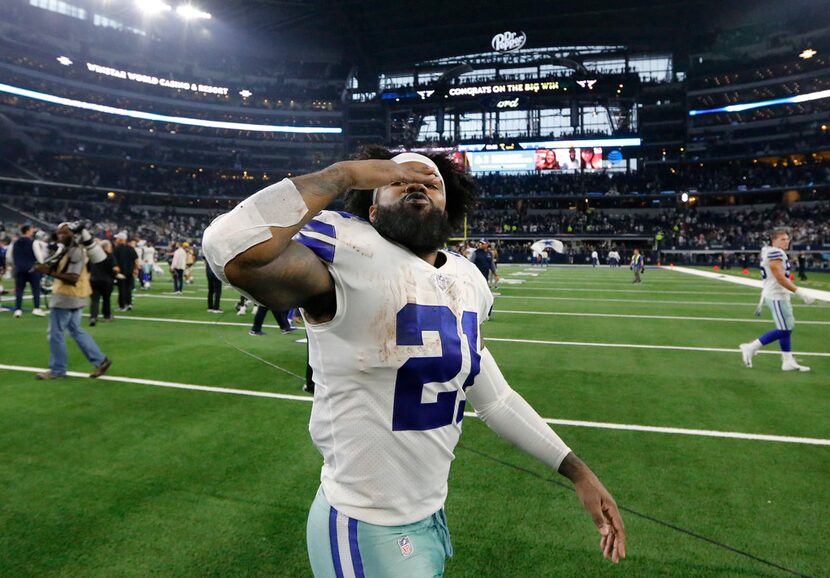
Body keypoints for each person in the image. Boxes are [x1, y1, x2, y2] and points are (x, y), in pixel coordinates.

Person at [203, 147, 625, 577]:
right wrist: (344, 174)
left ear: (447, 207)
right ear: (372, 205)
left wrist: (578, 472)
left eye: (431, 182)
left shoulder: (467, 278)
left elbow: (495, 398)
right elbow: (225, 246)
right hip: (364, 524)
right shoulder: (348, 252)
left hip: (429, 516)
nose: (417, 185)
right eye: (399, 179)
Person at [33, 224, 111, 380]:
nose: (60, 235)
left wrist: (47, 271)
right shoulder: (72, 250)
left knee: (55, 334)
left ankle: (57, 369)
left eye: (65, 232)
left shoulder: (75, 251)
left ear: (73, 235)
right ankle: (101, 360)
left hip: (66, 296)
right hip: (77, 296)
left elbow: (72, 278)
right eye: (59, 232)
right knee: (76, 330)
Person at [740, 229, 815, 372]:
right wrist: (801, 293)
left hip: (776, 294)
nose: (786, 241)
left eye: (787, 239)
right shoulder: (775, 252)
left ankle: (787, 361)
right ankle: (750, 347)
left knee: (787, 327)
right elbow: (780, 278)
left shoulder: (768, 250)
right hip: (776, 295)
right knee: (784, 329)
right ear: (774, 241)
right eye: (782, 239)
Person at [11, 225, 46, 317]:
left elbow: (10, 256)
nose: (33, 231)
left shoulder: (15, 242)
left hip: (19, 268)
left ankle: (18, 309)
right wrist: (41, 264)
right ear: (27, 231)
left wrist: (16, 265)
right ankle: (36, 308)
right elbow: (38, 255)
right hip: (32, 268)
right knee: (35, 289)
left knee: (19, 290)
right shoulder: (33, 242)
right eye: (31, 230)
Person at [88, 239, 117, 326]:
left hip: (94, 280)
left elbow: (88, 267)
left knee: (94, 299)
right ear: (107, 247)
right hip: (106, 280)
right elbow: (114, 268)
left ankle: (93, 316)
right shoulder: (110, 256)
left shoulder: (93, 255)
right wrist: (114, 275)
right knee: (106, 299)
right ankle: (106, 316)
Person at [113, 232, 138, 311]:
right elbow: (136, 260)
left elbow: (114, 261)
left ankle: (122, 306)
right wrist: (136, 269)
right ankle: (129, 303)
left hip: (121, 272)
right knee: (128, 289)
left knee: (122, 289)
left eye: (117, 239)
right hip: (130, 272)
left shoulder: (116, 249)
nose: (116, 240)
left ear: (121, 240)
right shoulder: (131, 248)